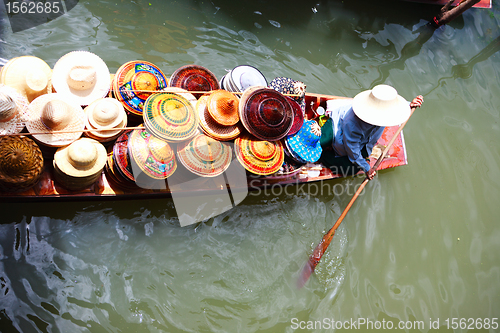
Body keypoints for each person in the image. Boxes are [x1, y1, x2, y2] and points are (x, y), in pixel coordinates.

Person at [319, 84, 423, 180]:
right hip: (337, 126)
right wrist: (367, 168)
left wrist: (410, 105)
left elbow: (394, 107)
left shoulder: (386, 112)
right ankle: (321, 155)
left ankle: (324, 157)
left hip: (362, 141)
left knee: (354, 168)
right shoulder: (353, 122)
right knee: (320, 140)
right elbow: (352, 150)